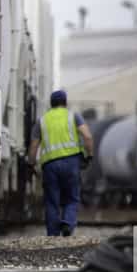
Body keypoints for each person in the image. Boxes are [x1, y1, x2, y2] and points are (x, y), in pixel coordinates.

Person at [29, 89, 95, 236]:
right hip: (71, 162)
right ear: (65, 102)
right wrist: (89, 155)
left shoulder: (42, 120)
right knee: (72, 197)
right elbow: (88, 136)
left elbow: (34, 145)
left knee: (52, 201)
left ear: (51, 104)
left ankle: (52, 234)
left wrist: (31, 163)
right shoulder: (73, 116)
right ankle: (67, 223)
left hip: (50, 165)